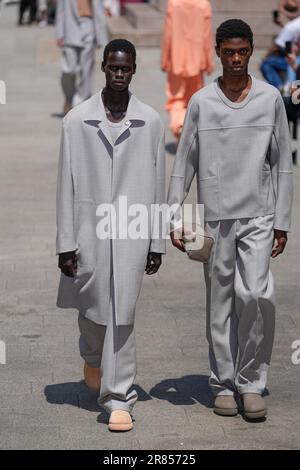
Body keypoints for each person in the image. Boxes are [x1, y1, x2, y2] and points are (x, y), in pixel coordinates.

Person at [168, 19, 293, 420]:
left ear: (251, 51)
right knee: (220, 302)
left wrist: (282, 220)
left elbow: (284, 164)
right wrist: (173, 215)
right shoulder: (203, 102)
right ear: (217, 52)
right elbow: (184, 159)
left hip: (258, 215)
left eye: (242, 52)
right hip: (216, 219)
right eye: (228, 52)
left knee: (256, 295)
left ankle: (252, 381)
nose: (236, 59)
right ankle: (223, 382)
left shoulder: (270, 98)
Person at [56, 39, 166, 432]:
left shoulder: (150, 121)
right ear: (103, 67)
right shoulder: (76, 120)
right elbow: (64, 185)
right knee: (92, 311)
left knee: (123, 313)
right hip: (89, 231)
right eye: (113, 67)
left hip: (133, 231)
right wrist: (65, 242)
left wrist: (157, 241)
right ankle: (92, 356)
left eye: (126, 68)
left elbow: (158, 185)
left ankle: (119, 398)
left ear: (134, 70)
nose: (119, 74)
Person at [161, 0, 214, 140]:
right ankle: (190, 135)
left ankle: (178, 125)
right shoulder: (204, 5)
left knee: (176, 99)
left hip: (176, 59)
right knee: (194, 100)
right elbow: (206, 36)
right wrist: (209, 62)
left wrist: (165, 59)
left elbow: (168, 34)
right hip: (197, 61)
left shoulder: (173, 3)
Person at [55, 0, 109, 115]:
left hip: (88, 26)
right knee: (68, 70)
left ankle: (81, 104)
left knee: (86, 71)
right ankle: (69, 98)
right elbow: (60, 10)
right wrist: (59, 33)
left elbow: (99, 10)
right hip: (70, 28)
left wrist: (101, 37)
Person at [260, 15, 300, 89]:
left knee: (266, 63)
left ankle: (279, 89)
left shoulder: (292, 26)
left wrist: (265, 56)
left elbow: (277, 44)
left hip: (292, 94)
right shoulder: (293, 26)